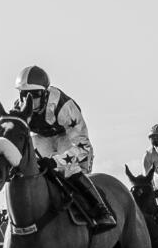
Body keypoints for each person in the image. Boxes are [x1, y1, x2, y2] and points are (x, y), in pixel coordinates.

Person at [12, 65, 115, 229]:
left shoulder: (64, 107)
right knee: (29, 168)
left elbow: (83, 148)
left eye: (35, 95)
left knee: (69, 169)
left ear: (45, 93)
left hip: (67, 137)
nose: (28, 101)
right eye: (24, 94)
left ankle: (101, 211)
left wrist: (55, 162)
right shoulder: (19, 108)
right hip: (41, 137)